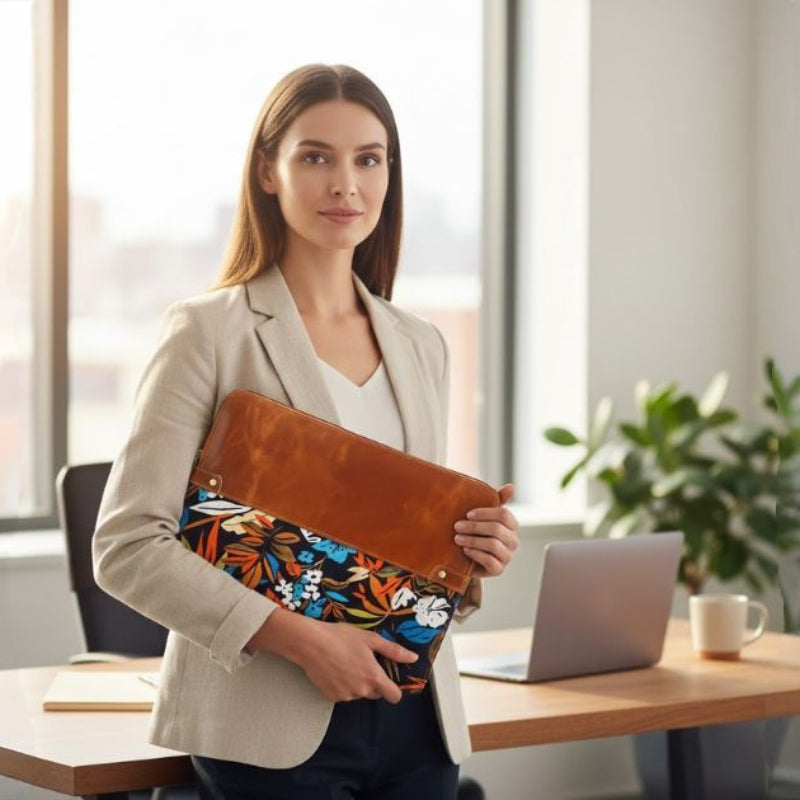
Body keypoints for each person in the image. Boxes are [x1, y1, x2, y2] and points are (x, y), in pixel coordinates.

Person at [92, 63, 520, 800]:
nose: (345, 184)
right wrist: (302, 641)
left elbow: (397, 555)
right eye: (315, 156)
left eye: (368, 159)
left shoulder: (421, 344)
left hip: (417, 721)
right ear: (267, 170)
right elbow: (127, 545)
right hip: (269, 727)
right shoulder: (207, 332)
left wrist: (474, 556)